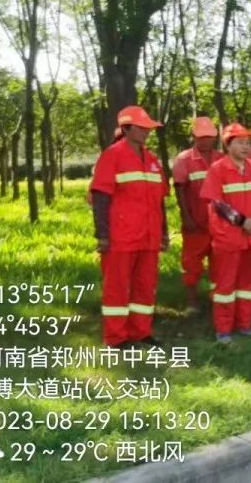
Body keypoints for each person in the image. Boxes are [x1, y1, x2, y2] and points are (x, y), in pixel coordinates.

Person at [89, 105, 169, 348]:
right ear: (126, 128)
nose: (147, 131)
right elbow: (100, 197)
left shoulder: (152, 160)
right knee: (117, 288)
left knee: (145, 286)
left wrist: (164, 232)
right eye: (141, 127)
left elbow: (160, 200)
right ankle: (115, 337)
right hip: (121, 237)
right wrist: (103, 235)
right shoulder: (112, 156)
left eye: (148, 127)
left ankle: (140, 331)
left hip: (149, 236)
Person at [200, 123, 251, 343]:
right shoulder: (217, 169)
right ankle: (223, 329)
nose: (245, 147)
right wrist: (243, 222)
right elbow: (217, 203)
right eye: (240, 143)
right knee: (226, 285)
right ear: (228, 145)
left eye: (248, 143)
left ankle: (245, 324)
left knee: (248, 284)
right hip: (228, 238)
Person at [171, 117, 223, 312]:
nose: (205, 140)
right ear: (193, 136)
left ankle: (218, 300)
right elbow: (180, 189)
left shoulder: (221, 158)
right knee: (192, 263)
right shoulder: (184, 159)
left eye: (209, 136)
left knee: (220, 262)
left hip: (219, 222)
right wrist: (186, 217)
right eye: (201, 136)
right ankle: (192, 302)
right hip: (196, 222)